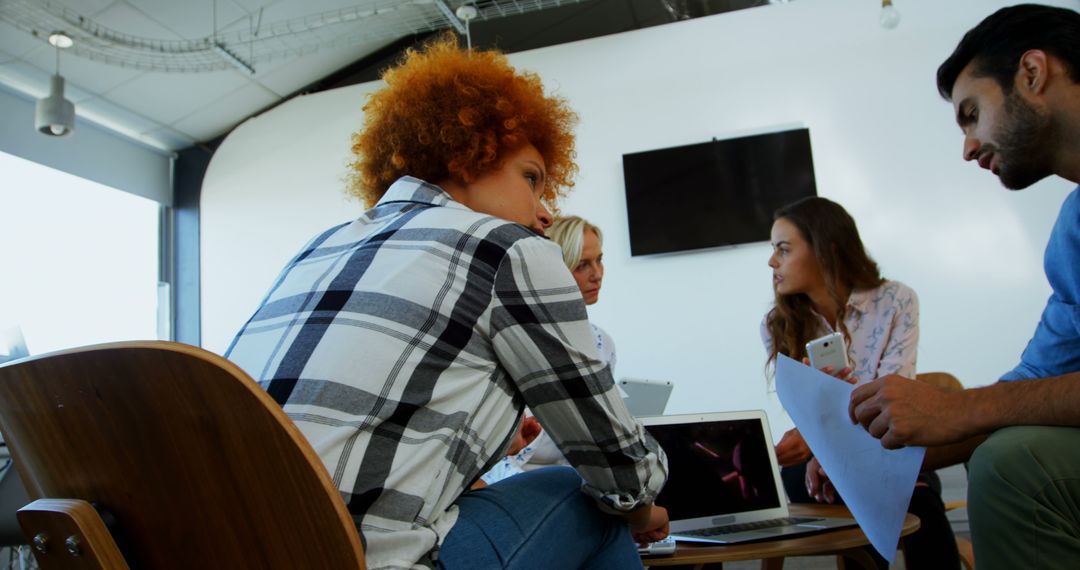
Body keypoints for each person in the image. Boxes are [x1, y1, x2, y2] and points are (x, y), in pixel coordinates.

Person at [225, 34, 668, 569]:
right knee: (588, 499)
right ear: (464, 155)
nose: (544, 212)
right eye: (532, 178)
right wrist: (641, 511)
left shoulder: (318, 246)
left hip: (230, 546)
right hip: (361, 558)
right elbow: (618, 463)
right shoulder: (510, 249)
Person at [849, 5, 1080, 568]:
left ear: (1032, 73)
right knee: (996, 447)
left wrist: (963, 408)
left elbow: (998, 406)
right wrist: (878, 455)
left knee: (1014, 461)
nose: (969, 147)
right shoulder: (1073, 228)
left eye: (972, 114)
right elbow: (1037, 378)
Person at [762, 196, 959, 569]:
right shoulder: (776, 324)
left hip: (888, 446)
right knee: (860, 488)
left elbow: (894, 400)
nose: (772, 262)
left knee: (903, 495)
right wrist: (824, 449)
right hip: (818, 458)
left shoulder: (896, 300)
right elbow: (804, 415)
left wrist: (836, 440)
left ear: (826, 249)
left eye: (783, 249)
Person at [481, 215, 612, 484]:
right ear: (554, 269)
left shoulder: (602, 342)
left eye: (599, 260)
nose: (597, 274)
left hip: (580, 477)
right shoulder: (515, 336)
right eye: (582, 265)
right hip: (512, 480)